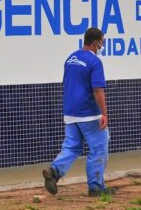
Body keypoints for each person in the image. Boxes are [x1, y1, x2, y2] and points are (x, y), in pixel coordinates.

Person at [43, 27, 115, 197]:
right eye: (102, 42)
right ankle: (96, 187)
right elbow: (98, 90)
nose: (102, 45)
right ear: (96, 42)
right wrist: (104, 113)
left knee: (72, 147)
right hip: (89, 113)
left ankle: (53, 171)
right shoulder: (95, 62)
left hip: (70, 112)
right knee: (99, 148)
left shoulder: (71, 58)